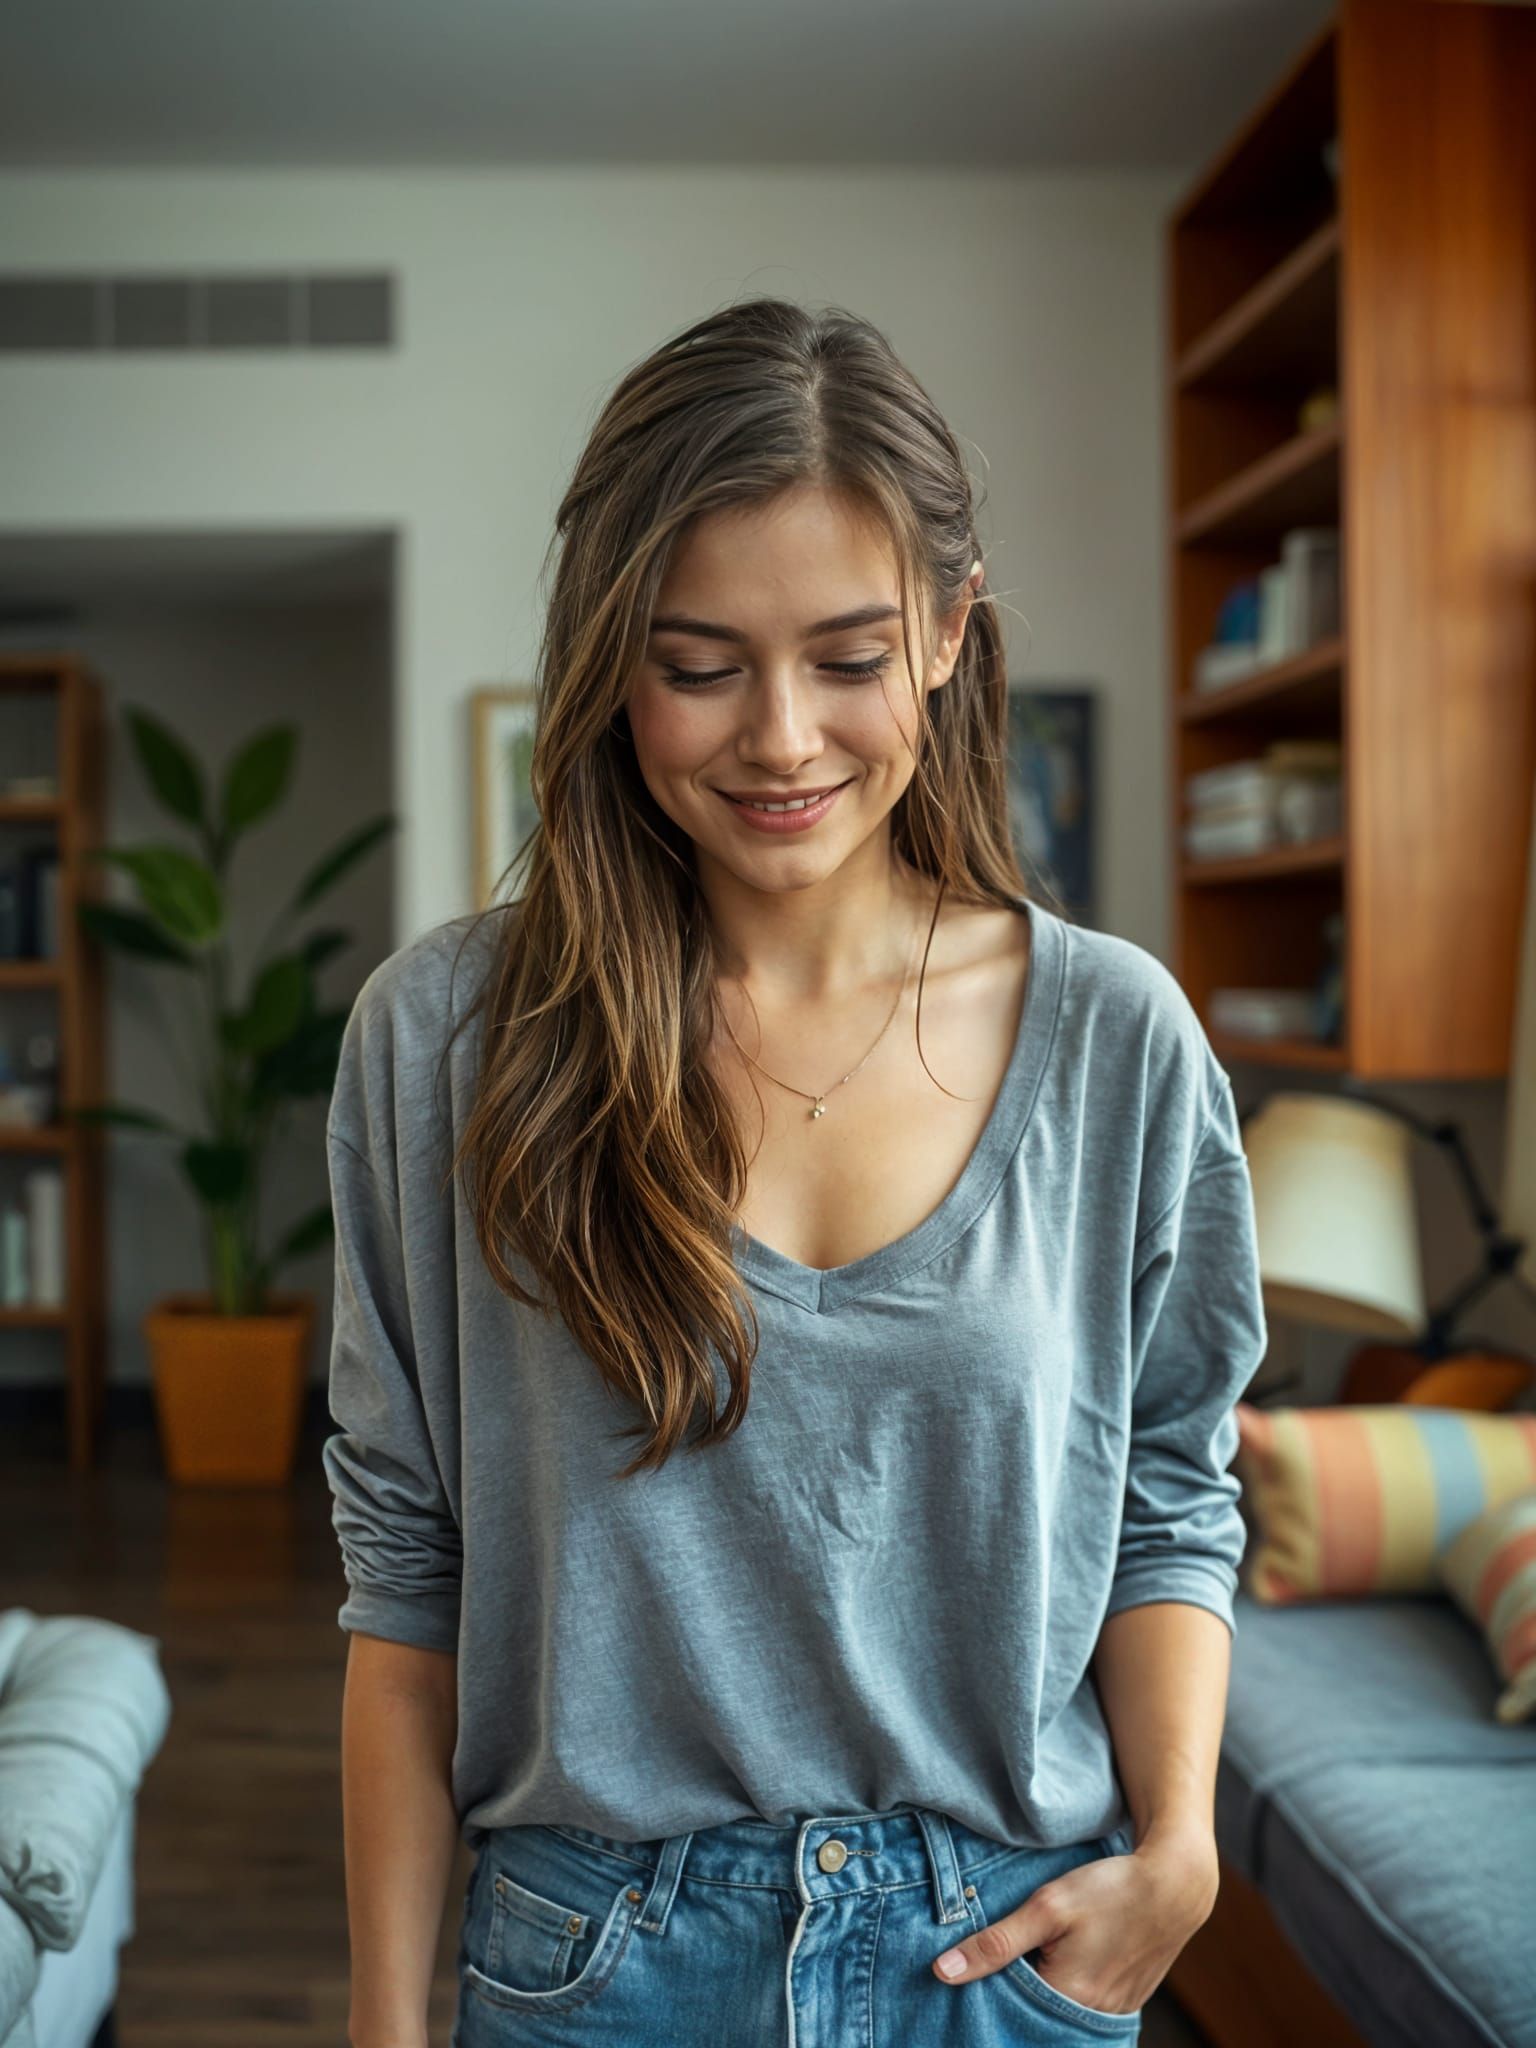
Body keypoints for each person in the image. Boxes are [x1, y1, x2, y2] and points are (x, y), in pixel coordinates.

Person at [322, 296, 1268, 2048]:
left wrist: (1187, 1849)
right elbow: (408, 1569)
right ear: (612, 661)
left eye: (846, 657)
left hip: (1002, 1964)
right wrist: (387, 2031)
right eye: (699, 664)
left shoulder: (1120, 1039)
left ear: (946, 637)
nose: (778, 738)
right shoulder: (445, 1036)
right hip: (590, 1963)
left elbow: (1169, 1496)